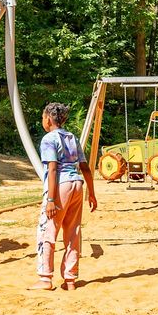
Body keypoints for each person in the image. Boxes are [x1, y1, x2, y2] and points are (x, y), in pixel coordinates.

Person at [31, 101, 96, 291]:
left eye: (43, 117)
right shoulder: (71, 137)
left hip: (61, 186)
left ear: (49, 119)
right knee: (73, 232)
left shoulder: (49, 139)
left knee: (47, 231)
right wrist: (91, 193)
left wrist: (50, 200)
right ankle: (70, 279)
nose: (43, 121)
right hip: (77, 185)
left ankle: (45, 278)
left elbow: (52, 169)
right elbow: (84, 167)